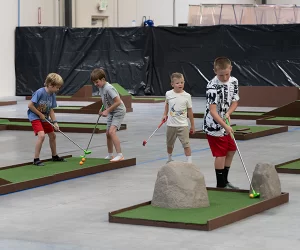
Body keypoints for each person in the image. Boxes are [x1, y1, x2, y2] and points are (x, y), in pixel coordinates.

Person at [203, 57, 240, 189]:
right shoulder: (212, 86)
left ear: (230, 69)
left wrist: (228, 114)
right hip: (214, 125)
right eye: (221, 75)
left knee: (231, 150)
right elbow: (213, 111)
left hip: (225, 121)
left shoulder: (234, 81)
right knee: (221, 154)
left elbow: (235, 101)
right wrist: (225, 125)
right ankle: (220, 184)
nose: (224, 78)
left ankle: (225, 180)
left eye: (227, 74)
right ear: (215, 71)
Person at [28, 73, 66, 166]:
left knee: (52, 135)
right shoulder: (40, 92)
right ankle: (36, 159)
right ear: (50, 85)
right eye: (57, 87)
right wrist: (40, 114)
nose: (58, 89)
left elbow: (51, 109)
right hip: (35, 117)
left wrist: (55, 122)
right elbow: (30, 105)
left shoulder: (52, 95)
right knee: (41, 136)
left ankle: (54, 156)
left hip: (45, 118)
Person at [91, 68, 126, 162]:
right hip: (111, 111)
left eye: (97, 82)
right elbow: (106, 100)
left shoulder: (109, 88)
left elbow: (118, 101)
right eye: (94, 82)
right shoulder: (101, 88)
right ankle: (110, 155)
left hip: (119, 111)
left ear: (103, 79)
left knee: (112, 132)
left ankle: (120, 155)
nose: (95, 84)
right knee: (107, 134)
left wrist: (107, 111)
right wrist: (102, 109)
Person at [162, 72, 195, 163]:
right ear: (172, 84)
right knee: (169, 144)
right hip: (171, 125)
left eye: (182, 82)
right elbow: (167, 104)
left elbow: (190, 111)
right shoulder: (168, 94)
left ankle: (189, 161)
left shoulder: (187, 96)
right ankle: (169, 158)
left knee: (186, 144)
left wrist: (192, 125)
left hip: (183, 125)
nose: (180, 84)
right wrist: (165, 114)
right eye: (177, 83)